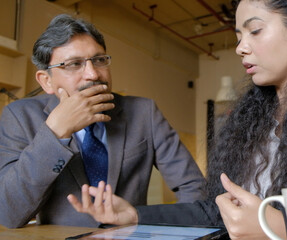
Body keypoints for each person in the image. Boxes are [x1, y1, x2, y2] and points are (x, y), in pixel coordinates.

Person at [68, 0, 287, 239]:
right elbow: (217, 211)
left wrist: (286, 227)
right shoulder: (252, 120)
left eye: (254, 31)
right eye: (239, 35)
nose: (241, 46)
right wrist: (134, 215)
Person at [0, 14, 206, 229]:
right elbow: (8, 214)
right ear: (46, 81)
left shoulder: (144, 112)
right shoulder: (20, 116)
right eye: (73, 64)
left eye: (99, 60)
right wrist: (56, 132)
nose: (92, 74)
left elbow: (194, 187)